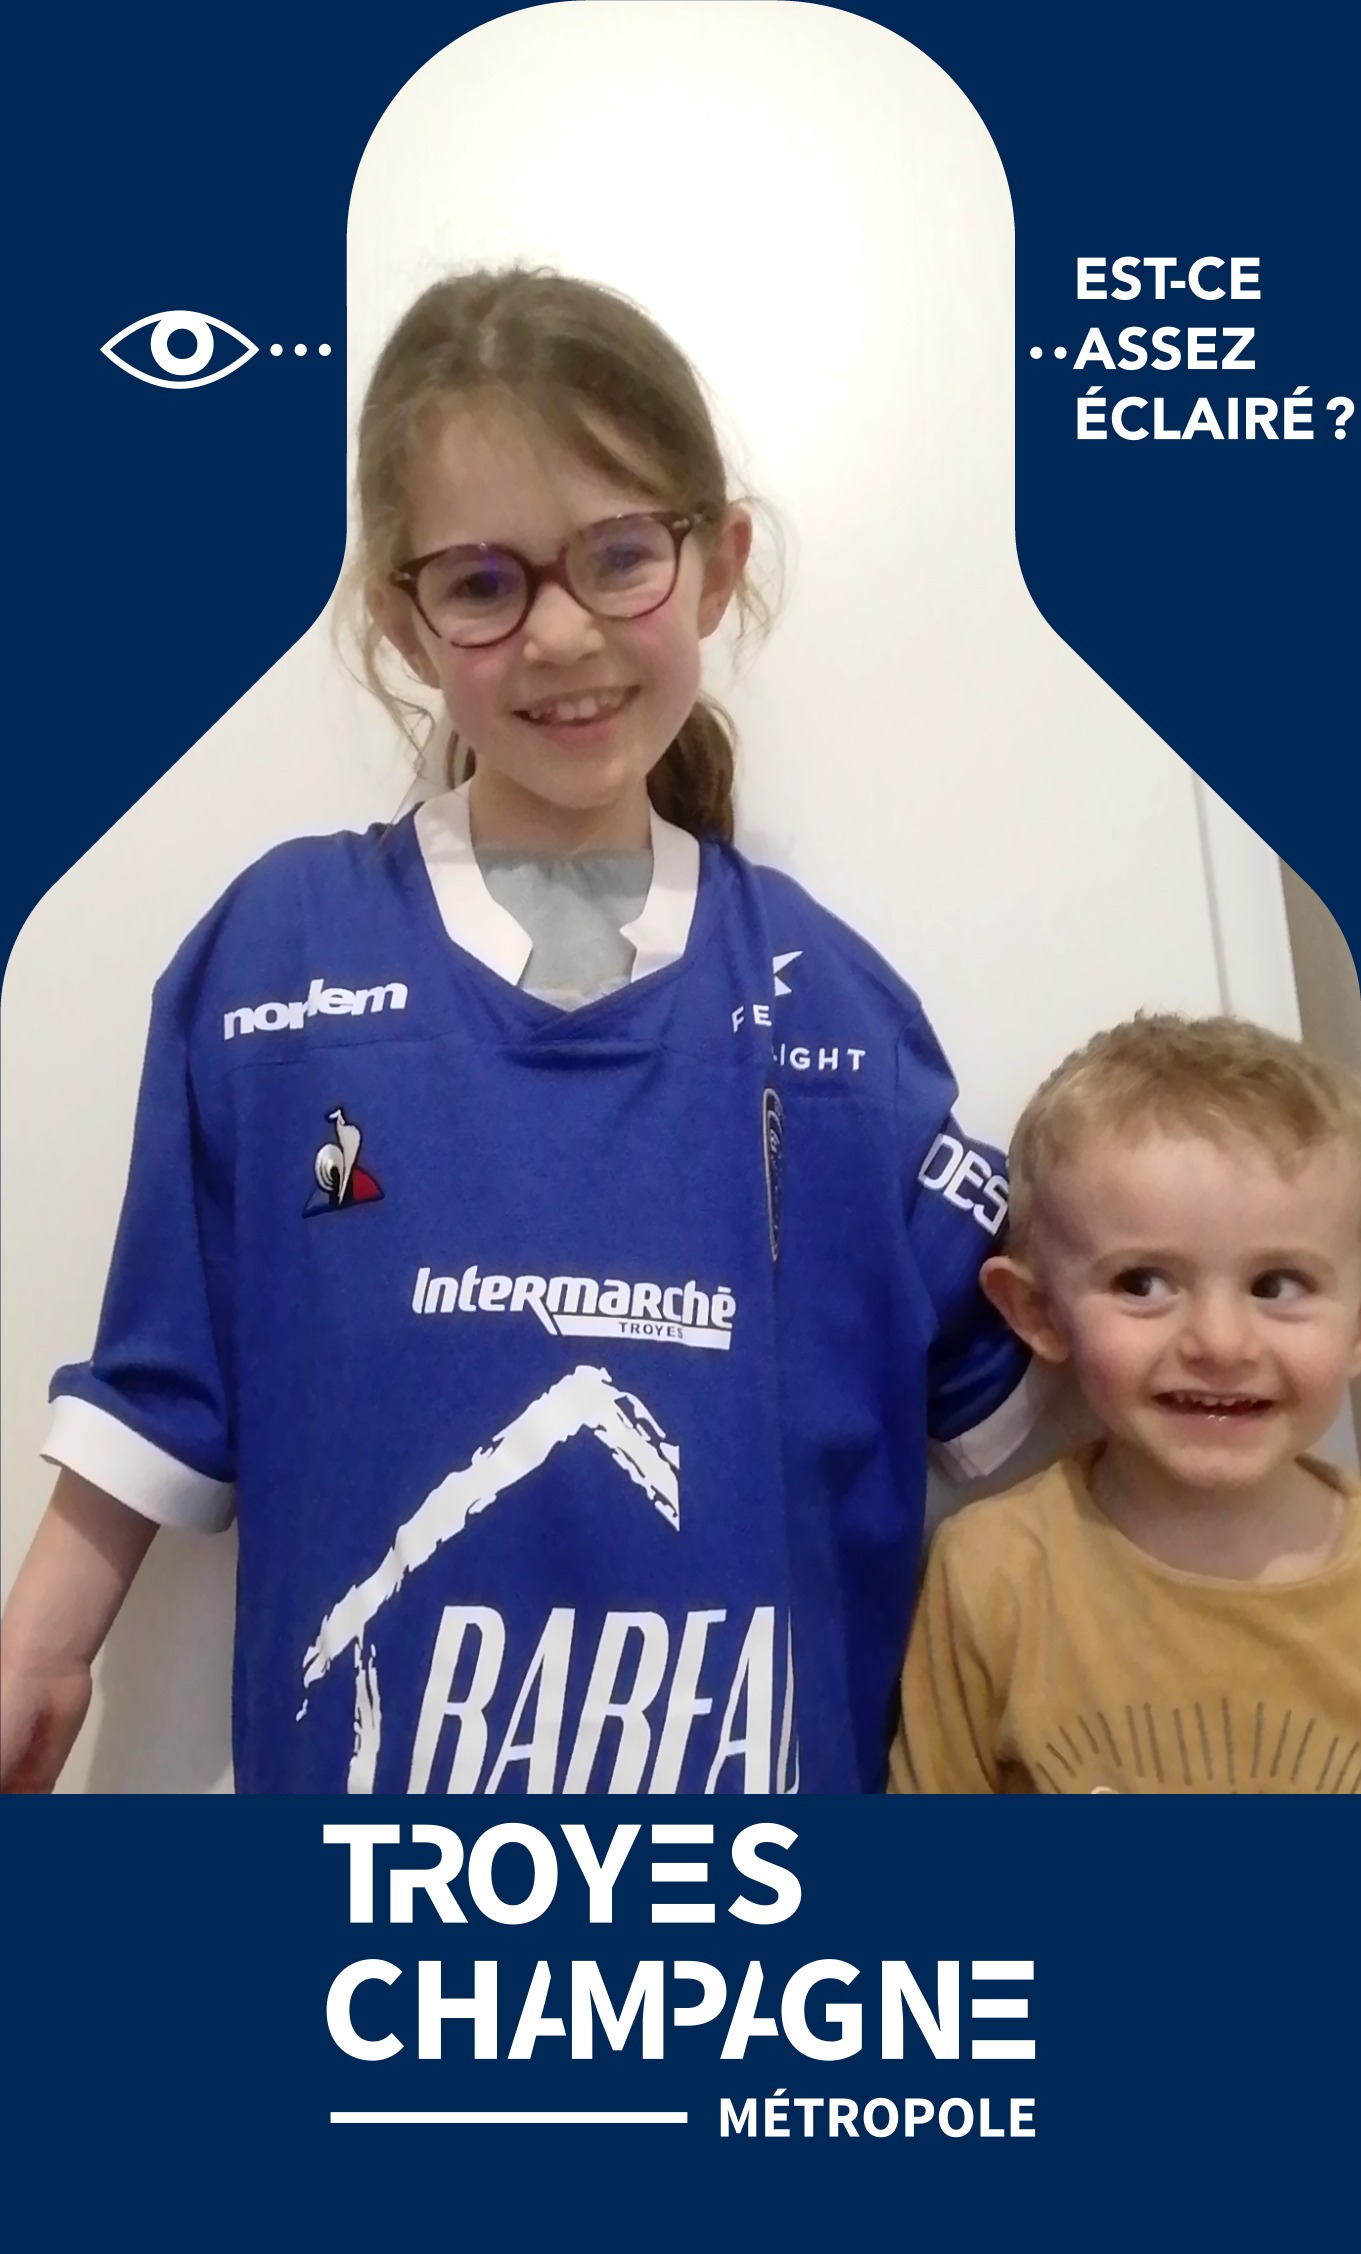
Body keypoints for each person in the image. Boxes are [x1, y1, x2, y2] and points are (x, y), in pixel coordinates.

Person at [1, 268, 1032, 1797]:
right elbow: (160, 1387)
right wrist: (39, 1651)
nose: (559, 634)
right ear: (402, 621)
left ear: (717, 565)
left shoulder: (832, 1014)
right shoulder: (276, 965)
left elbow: (1041, 1404)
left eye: (619, 556)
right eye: (485, 582)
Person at [891, 1013, 1361, 1795]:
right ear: (1037, 1313)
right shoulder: (990, 1575)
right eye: (1141, 1282)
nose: (1219, 1343)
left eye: (1276, 1285)